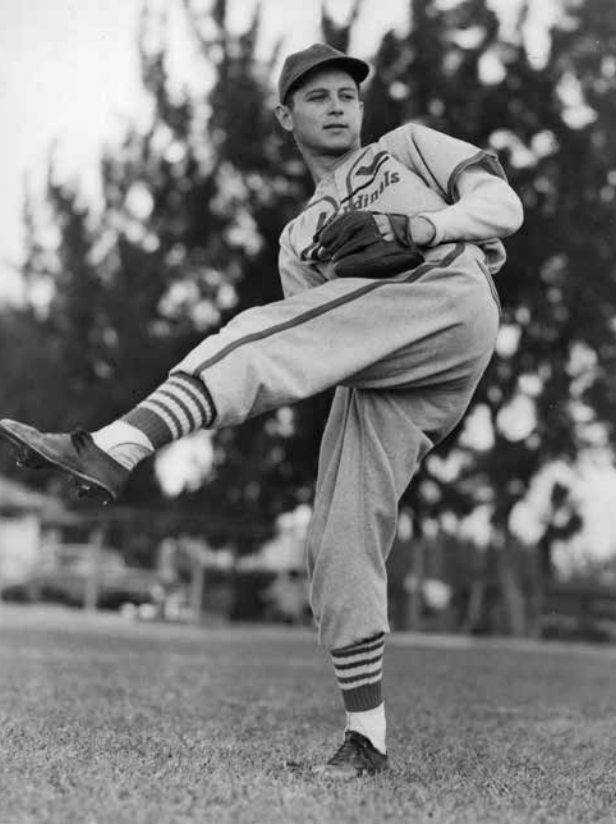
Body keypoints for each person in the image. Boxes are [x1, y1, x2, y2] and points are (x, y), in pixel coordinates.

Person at [0, 43, 523, 778]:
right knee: (337, 536)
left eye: (348, 93)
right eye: (317, 97)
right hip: (387, 362)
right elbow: (307, 344)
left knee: (249, 335)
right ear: (286, 116)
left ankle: (116, 444)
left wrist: (420, 228)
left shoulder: (406, 146)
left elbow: (504, 207)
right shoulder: (298, 238)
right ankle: (366, 740)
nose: (339, 104)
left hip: (448, 296)